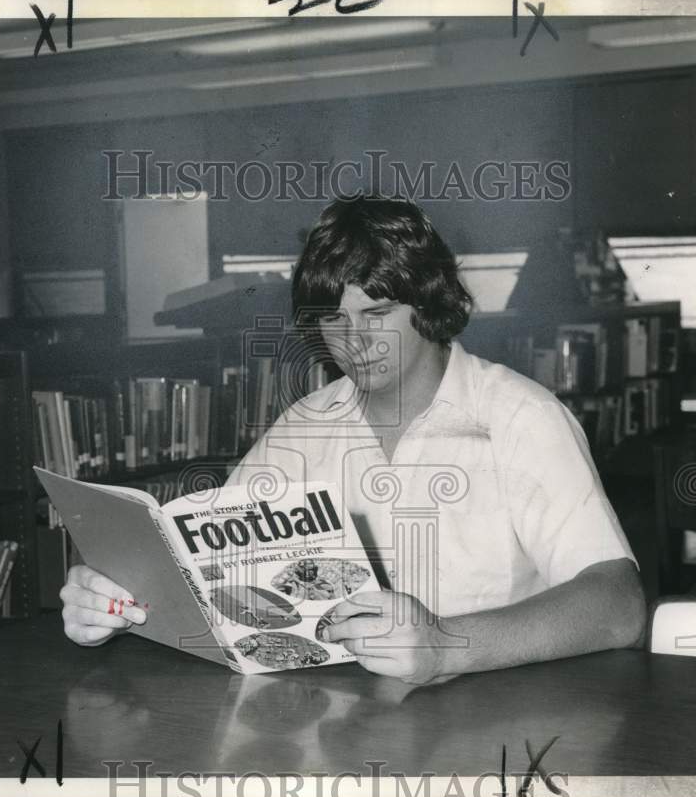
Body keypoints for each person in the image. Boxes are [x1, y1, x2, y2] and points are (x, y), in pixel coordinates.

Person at [61, 196, 647, 685]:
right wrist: (121, 601)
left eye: (378, 313)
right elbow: (211, 580)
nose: (355, 342)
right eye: (333, 320)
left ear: (429, 303)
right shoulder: (304, 426)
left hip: (500, 728)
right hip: (344, 730)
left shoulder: (522, 419)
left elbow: (618, 606)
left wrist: (449, 646)